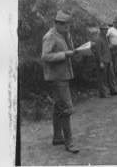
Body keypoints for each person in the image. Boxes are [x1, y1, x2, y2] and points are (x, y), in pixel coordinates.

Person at [41, 10, 79, 153]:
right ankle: (69, 142)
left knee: (58, 107)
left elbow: (71, 50)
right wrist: (65, 54)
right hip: (57, 77)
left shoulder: (61, 35)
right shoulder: (50, 36)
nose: (66, 27)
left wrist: (68, 36)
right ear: (56, 23)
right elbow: (45, 56)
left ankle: (57, 137)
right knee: (66, 108)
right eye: (63, 25)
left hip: (62, 76)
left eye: (67, 25)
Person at [95, 23, 117, 98]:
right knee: (102, 77)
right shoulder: (98, 39)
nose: (106, 31)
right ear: (101, 30)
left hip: (108, 59)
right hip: (103, 61)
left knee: (111, 75)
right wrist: (101, 62)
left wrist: (110, 59)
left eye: (107, 29)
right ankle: (103, 93)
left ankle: (113, 90)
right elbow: (98, 52)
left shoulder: (105, 38)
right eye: (104, 29)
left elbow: (107, 49)